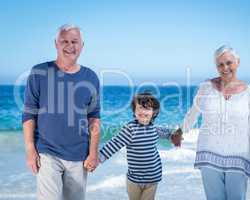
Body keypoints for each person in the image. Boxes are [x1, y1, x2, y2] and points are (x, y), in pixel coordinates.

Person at [179, 45, 250, 200]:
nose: (225, 68)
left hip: (238, 156)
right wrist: (180, 131)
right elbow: (193, 112)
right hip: (209, 154)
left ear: (238, 62)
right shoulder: (206, 87)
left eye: (229, 63)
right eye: (220, 64)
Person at [22, 24, 100, 200]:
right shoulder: (39, 72)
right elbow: (29, 114)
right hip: (47, 152)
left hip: (79, 155)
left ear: (82, 45)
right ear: (55, 43)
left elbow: (94, 118)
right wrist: (30, 150)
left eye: (74, 41)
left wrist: (93, 153)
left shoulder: (91, 77)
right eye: (64, 41)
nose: (69, 46)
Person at [91, 92, 181, 200]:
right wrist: (98, 158)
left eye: (147, 108)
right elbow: (115, 143)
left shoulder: (154, 128)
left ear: (154, 112)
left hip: (153, 178)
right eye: (139, 108)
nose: (143, 111)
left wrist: (175, 136)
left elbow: (167, 133)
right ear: (134, 111)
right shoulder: (131, 129)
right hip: (134, 180)